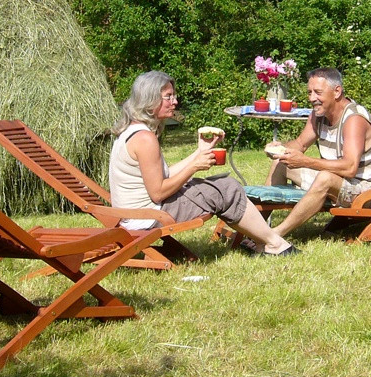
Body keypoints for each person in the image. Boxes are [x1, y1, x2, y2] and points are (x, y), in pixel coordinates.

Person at [109, 70, 299, 256]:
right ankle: (273, 243)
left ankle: (263, 241)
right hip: (148, 216)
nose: (175, 101)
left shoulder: (132, 131)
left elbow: (164, 175)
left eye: (174, 96)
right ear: (149, 100)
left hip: (136, 214)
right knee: (227, 189)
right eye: (168, 96)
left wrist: (199, 153)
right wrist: (194, 166)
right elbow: (158, 192)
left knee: (222, 186)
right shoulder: (145, 139)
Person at [263, 67, 371, 238]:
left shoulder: (354, 119)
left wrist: (305, 161)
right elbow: (300, 144)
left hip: (366, 190)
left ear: (337, 92)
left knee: (325, 178)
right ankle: (257, 227)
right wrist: (279, 149)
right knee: (280, 163)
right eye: (309, 92)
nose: (312, 98)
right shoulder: (318, 115)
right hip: (337, 179)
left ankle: (274, 235)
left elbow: (350, 168)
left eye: (318, 92)